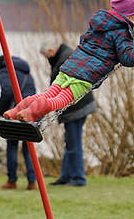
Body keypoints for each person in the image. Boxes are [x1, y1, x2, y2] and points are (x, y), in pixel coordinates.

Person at [4, 0, 134, 126]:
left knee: (47, 94)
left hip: (69, 67)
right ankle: (31, 113)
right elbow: (129, 59)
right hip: (86, 76)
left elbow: (83, 40)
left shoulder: (99, 23)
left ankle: (15, 111)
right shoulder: (123, 32)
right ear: (130, 15)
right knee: (60, 101)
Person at [42, 44, 99, 187]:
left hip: (76, 108)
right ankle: (65, 176)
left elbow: (61, 87)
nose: (47, 59)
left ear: (51, 50)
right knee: (69, 142)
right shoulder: (64, 56)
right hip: (76, 107)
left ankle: (79, 178)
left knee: (74, 144)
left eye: (46, 57)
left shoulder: (64, 59)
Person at [0, 54, 37, 190]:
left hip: (16, 114)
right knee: (28, 147)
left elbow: (7, 92)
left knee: (12, 146)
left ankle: (12, 180)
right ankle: (32, 181)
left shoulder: (5, 70)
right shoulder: (26, 72)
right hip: (32, 112)